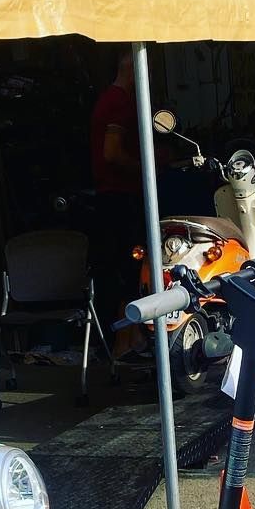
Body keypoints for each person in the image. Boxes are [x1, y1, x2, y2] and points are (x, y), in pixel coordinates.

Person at [88, 53, 143, 332]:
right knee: (129, 266)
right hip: (120, 197)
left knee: (118, 267)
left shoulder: (107, 99)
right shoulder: (119, 102)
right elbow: (111, 153)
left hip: (110, 197)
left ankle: (121, 337)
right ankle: (127, 338)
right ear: (133, 68)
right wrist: (145, 167)